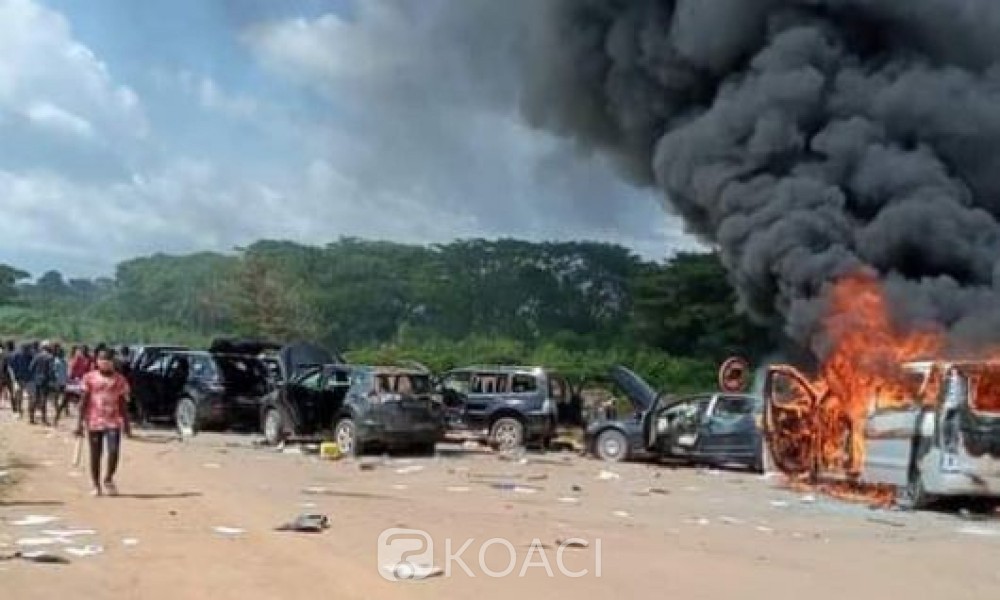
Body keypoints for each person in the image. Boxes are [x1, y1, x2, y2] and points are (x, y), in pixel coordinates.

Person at [75, 348, 132, 497]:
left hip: (113, 421)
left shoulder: (120, 380)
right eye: (101, 359)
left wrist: (127, 424)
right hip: (94, 421)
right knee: (95, 454)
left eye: (107, 360)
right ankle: (96, 484)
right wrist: (79, 424)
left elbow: (123, 403)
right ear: (97, 361)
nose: (104, 363)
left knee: (114, 451)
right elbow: (83, 401)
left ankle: (108, 478)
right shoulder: (89, 378)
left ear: (113, 362)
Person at [27, 341, 56, 425]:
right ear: (48, 348)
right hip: (45, 380)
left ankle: (31, 418)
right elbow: (51, 370)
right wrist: (53, 380)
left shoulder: (37, 356)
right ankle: (44, 419)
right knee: (44, 400)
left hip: (35, 380)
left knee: (34, 399)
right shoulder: (50, 357)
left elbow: (30, 367)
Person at [9, 343, 34, 417]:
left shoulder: (16, 355)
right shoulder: (30, 355)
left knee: (19, 395)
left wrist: (14, 377)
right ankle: (28, 412)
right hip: (27, 378)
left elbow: (11, 367)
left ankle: (20, 411)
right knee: (30, 396)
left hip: (20, 378)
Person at [51, 344, 69, 427]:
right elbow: (55, 371)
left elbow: (64, 371)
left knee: (60, 398)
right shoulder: (59, 361)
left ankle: (60, 411)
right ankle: (60, 411)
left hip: (61, 382)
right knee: (59, 398)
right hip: (60, 382)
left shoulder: (60, 361)